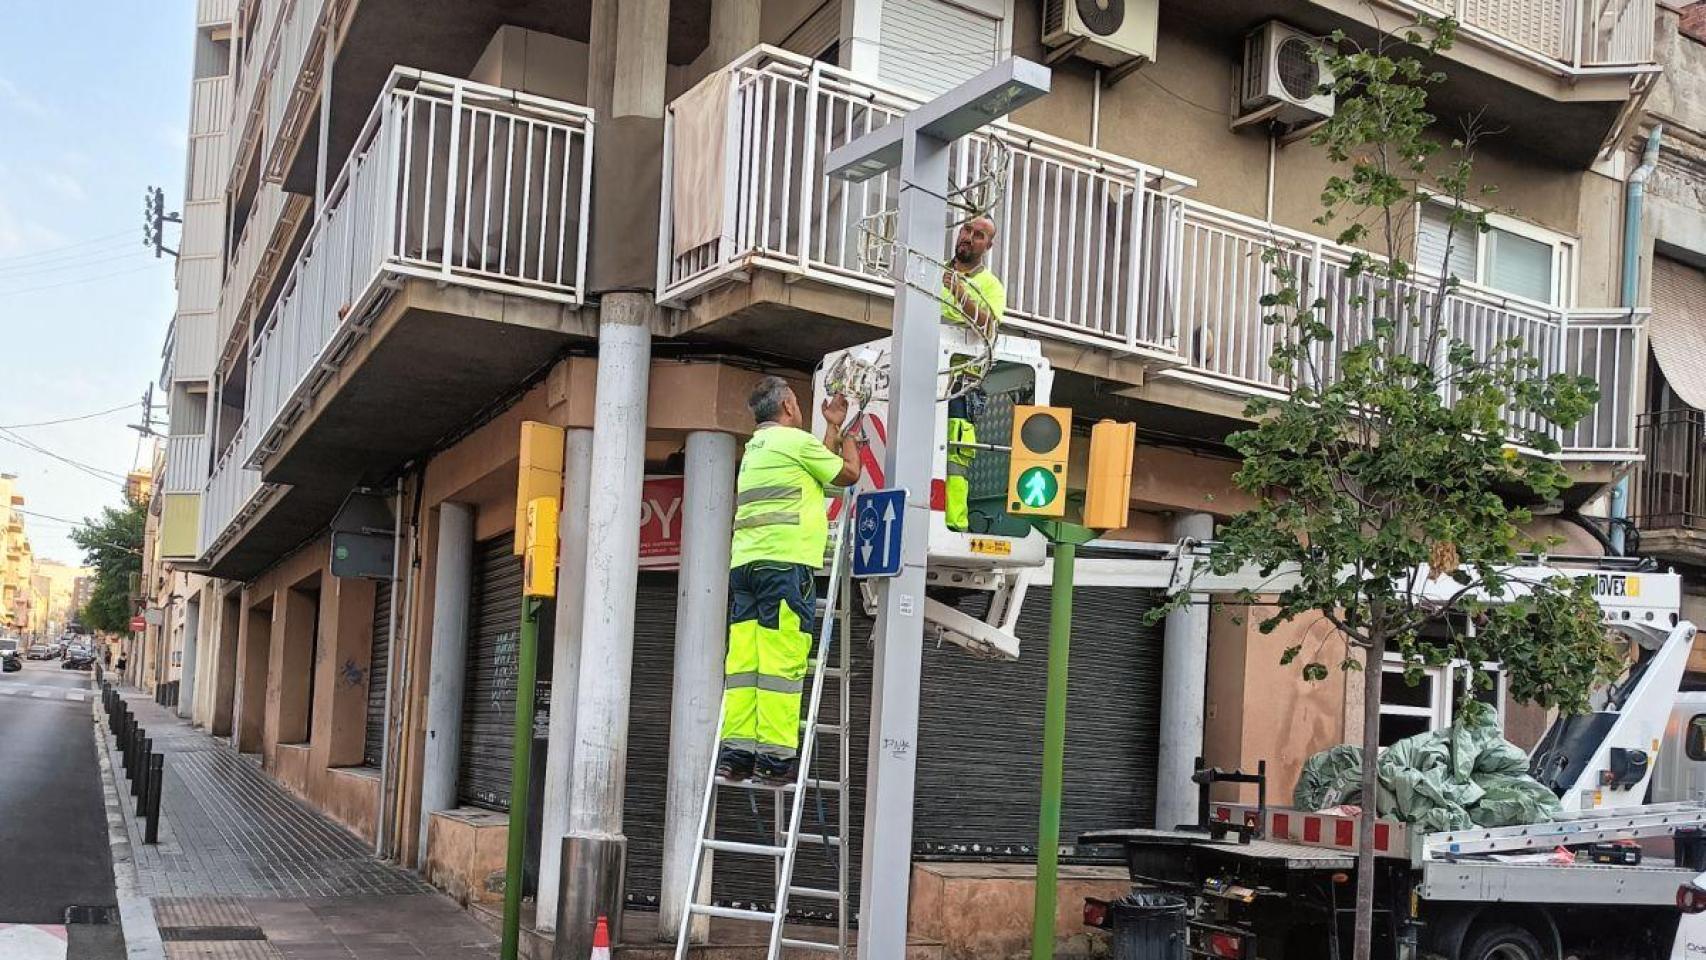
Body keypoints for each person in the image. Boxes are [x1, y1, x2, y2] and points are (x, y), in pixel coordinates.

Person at [717, 376, 862, 785]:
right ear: (787, 406)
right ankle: (776, 761)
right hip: (784, 566)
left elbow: (819, 473)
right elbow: (846, 474)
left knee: (746, 663)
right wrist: (852, 434)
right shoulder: (794, 442)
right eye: (797, 403)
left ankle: (737, 756)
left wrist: (831, 428)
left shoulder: (757, 449)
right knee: (782, 663)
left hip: (746, 566)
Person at [940, 216, 1006, 532]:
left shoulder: (991, 285)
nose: (969, 237)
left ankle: (954, 523)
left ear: (988, 246)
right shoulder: (934, 269)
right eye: (966, 230)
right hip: (927, 373)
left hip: (960, 383)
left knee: (955, 454)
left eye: (979, 235)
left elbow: (989, 327)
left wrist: (960, 292)